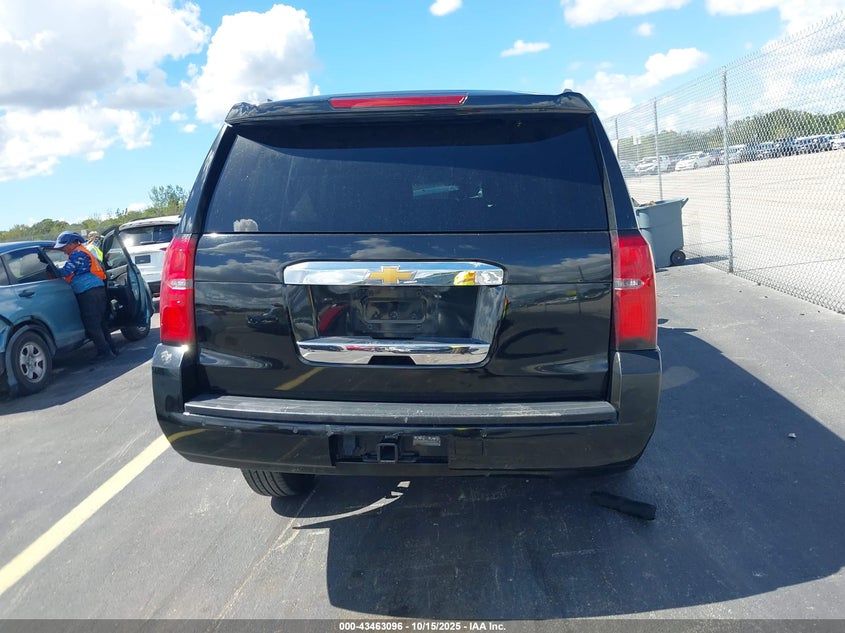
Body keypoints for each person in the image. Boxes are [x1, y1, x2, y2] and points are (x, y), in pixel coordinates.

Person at [53, 231, 118, 359]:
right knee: (100, 322)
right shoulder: (82, 251)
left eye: (64, 246)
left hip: (89, 292)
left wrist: (51, 270)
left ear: (72, 244)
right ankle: (112, 349)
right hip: (96, 289)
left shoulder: (77, 254)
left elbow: (66, 271)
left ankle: (105, 353)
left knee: (92, 324)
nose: (63, 250)